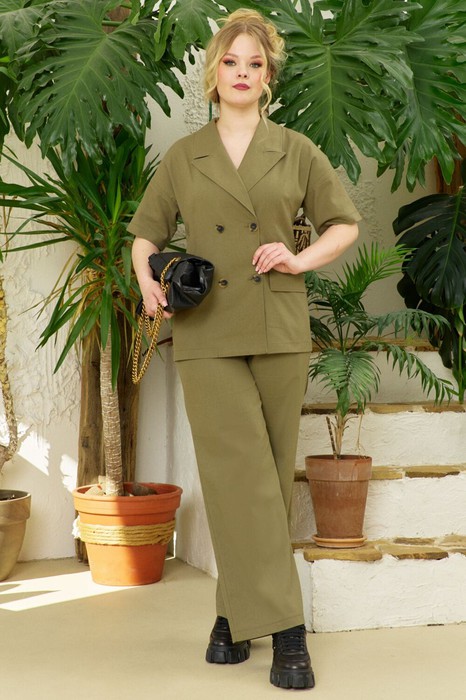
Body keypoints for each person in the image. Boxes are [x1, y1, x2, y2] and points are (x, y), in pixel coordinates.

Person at [130, 8, 360, 690]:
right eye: (231, 62)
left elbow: (343, 224)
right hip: (207, 333)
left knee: (266, 478)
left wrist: (298, 258)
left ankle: (231, 618)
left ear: (267, 77)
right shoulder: (185, 155)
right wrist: (146, 282)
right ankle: (288, 631)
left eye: (254, 64)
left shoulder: (296, 149)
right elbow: (145, 235)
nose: (242, 73)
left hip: (278, 327)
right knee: (243, 477)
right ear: (214, 72)